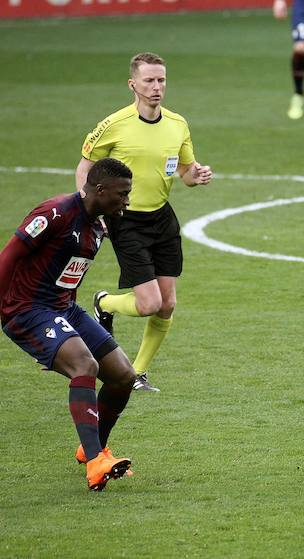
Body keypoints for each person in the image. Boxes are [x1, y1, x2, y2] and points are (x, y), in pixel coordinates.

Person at [75, 52, 213, 392]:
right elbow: (85, 166)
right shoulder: (114, 125)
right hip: (125, 220)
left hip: (163, 218)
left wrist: (197, 175)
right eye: (149, 80)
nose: (156, 87)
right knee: (148, 303)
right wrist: (89, 210)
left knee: (166, 305)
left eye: (161, 80)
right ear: (132, 84)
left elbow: (184, 171)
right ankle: (104, 303)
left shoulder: (177, 124)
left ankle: (137, 372)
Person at [1, 158, 137, 491]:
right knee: (84, 364)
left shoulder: (97, 228)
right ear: (100, 190)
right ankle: (95, 463)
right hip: (26, 309)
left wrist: (64, 334)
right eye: (122, 194)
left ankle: (93, 447)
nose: (127, 201)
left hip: (64, 308)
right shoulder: (55, 214)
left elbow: (67, 275)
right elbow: (9, 256)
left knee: (124, 376)